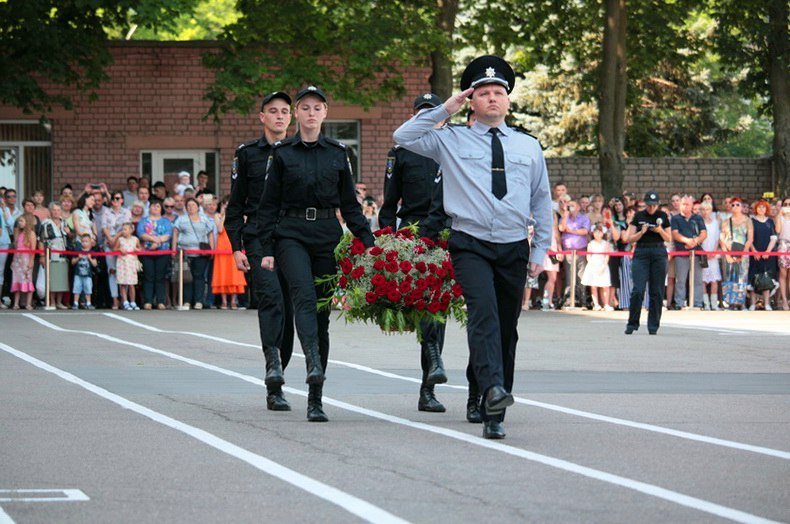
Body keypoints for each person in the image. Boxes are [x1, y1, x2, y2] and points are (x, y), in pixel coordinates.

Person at [393, 55, 553, 440]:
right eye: (483, 93)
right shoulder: (451, 139)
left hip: (514, 244)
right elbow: (404, 137)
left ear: (508, 100)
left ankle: (492, 394)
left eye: (499, 92)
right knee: (484, 317)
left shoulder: (528, 146)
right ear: (472, 101)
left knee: (507, 329)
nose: (493, 98)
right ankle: (493, 397)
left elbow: (541, 200)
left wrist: (540, 250)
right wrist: (446, 108)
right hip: (470, 243)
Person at [259, 85, 375, 422]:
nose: (311, 113)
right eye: (305, 108)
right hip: (290, 235)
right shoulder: (282, 153)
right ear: (297, 114)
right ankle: (311, 360)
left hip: (326, 235)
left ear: (325, 113)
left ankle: (315, 395)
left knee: (321, 316)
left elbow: (350, 206)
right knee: (304, 297)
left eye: (317, 108)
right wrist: (265, 248)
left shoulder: (338, 153)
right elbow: (268, 206)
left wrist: (369, 243)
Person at [226, 90, 297, 412]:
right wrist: (236, 246)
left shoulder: (300, 152)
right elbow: (235, 206)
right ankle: (272, 363)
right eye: (273, 111)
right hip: (258, 238)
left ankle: (277, 377)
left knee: (291, 310)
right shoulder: (247, 154)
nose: (280, 116)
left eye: (285, 111)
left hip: (293, 237)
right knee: (271, 300)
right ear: (262, 117)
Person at [380, 92, 449, 413]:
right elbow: (389, 203)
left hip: (450, 231)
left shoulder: (454, 148)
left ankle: (428, 386)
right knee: (427, 303)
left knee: (441, 307)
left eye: (432, 113)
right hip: (414, 232)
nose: (427, 118)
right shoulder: (402, 153)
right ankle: (432, 362)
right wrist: (385, 241)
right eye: (421, 114)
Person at [625, 191, 671, 335]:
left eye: (654, 205)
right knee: (638, 290)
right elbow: (629, 238)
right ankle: (632, 323)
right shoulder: (639, 216)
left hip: (658, 252)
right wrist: (641, 233)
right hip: (641, 252)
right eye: (649, 205)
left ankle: (653, 325)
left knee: (656, 291)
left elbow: (669, 238)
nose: (651, 208)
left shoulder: (662, 216)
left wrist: (659, 230)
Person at [172, 197, 215, 309]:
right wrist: (173, 248)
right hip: (184, 253)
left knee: (199, 276)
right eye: (188, 206)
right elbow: (175, 233)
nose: (191, 207)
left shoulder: (204, 219)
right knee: (187, 277)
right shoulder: (181, 219)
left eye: (193, 205)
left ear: (198, 207)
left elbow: (210, 233)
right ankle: (187, 301)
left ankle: (199, 301)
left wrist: (212, 249)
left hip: (201, 253)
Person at [671, 195, 707, 309]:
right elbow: (675, 234)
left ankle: (697, 303)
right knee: (680, 279)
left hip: (696, 253)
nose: (685, 206)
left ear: (692, 206)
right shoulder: (675, 219)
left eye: (688, 204)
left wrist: (695, 241)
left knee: (697, 280)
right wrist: (687, 241)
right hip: (681, 253)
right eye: (683, 204)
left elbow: (704, 233)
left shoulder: (698, 218)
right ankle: (679, 303)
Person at [136, 199, 173, 310]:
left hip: (163, 252)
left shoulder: (165, 221)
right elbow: (141, 233)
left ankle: (160, 301)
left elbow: (168, 234)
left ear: (161, 208)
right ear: (149, 208)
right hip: (147, 252)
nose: (155, 208)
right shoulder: (143, 220)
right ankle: (148, 301)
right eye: (153, 206)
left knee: (160, 277)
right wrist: (154, 240)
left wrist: (157, 242)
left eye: (157, 206)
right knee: (148, 276)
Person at [212, 196, 246, 309]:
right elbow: (220, 229)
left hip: (233, 247)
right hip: (222, 248)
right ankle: (224, 301)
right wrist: (225, 214)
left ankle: (233, 300)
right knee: (222, 273)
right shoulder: (217, 216)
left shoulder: (237, 216)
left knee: (235, 274)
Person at [720, 197, 753, 310]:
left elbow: (750, 238)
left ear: (742, 206)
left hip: (743, 253)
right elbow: (722, 239)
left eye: (737, 205)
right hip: (729, 253)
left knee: (742, 277)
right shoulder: (726, 221)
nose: (735, 207)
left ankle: (741, 303)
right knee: (729, 277)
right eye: (732, 205)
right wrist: (727, 254)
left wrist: (743, 253)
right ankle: (731, 303)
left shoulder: (747, 220)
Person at [102, 191, 131, 309]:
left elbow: (126, 228)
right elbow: (104, 227)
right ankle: (115, 299)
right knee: (112, 271)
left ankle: (125, 299)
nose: (115, 200)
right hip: (109, 243)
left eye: (118, 198)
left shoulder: (126, 212)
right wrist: (110, 239)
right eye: (113, 198)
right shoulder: (106, 211)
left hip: (122, 243)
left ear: (122, 200)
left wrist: (115, 239)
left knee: (124, 272)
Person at [559, 199, 590, 308]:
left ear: (577, 207)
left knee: (581, 275)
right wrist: (566, 215)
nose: (570, 208)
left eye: (572, 206)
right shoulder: (565, 217)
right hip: (568, 250)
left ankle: (582, 299)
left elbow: (585, 231)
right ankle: (569, 299)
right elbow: (562, 228)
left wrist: (571, 231)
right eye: (569, 206)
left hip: (581, 249)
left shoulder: (584, 218)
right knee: (569, 275)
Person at [39, 202, 70, 308]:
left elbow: (71, 237)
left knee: (61, 279)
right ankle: (51, 301)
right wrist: (42, 256)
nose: (56, 212)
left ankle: (59, 302)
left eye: (58, 210)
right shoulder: (46, 223)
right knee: (52, 278)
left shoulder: (64, 222)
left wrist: (69, 232)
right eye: (54, 210)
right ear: (50, 211)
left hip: (63, 254)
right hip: (51, 254)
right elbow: (41, 240)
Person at [748, 200, 777, 310]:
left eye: (763, 207)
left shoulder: (770, 222)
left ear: (766, 209)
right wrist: (754, 251)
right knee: (753, 278)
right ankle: (752, 303)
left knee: (766, 279)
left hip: (767, 255)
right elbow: (749, 238)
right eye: (759, 207)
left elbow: (773, 238)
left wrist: (768, 251)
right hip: (754, 254)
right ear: (756, 209)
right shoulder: (751, 221)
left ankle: (767, 303)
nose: (761, 209)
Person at [581, 224, 613, 311]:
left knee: (605, 285)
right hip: (593, 265)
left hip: (603, 264)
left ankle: (606, 304)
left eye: (599, 232)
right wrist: (592, 265)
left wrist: (603, 265)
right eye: (595, 232)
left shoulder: (606, 243)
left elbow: (607, 256)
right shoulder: (591, 244)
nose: (597, 234)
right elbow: (588, 256)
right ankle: (596, 304)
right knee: (593, 285)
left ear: (602, 233)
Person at [699, 201, 722, 310]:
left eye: (707, 209)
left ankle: (714, 304)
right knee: (703, 280)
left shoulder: (715, 223)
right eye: (703, 209)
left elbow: (717, 238)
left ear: (711, 210)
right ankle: (706, 304)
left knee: (714, 280)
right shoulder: (698, 222)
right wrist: (704, 252)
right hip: (702, 254)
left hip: (713, 254)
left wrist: (713, 250)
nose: (705, 212)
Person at [11, 215, 36, 310]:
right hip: (17, 259)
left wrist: (31, 261)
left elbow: (33, 249)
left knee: (27, 279)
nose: (19, 223)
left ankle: (28, 303)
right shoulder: (18, 233)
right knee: (16, 280)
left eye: (21, 221)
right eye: (19, 221)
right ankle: (16, 303)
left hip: (26, 259)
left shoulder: (31, 234)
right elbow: (15, 247)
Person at [116, 222, 141, 310]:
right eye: (122, 229)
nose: (124, 231)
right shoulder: (120, 240)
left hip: (131, 262)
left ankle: (133, 301)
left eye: (125, 229)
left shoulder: (135, 239)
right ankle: (125, 301)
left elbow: (140, 249)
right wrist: (120, 249)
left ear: (131, 230)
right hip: (122, 262)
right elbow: (114, 249)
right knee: (123, 283)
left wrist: (136, 249)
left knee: (131, 284)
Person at [71, 234, 98, 309]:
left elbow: (95, 264)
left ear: (90, 242)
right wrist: (78, 258)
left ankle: (88, 303)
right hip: (78, 274)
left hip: (88, 275)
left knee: (88, 289)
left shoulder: (92, 252)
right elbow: (72, 262)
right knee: (76, 288)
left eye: (86, 241)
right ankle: (75, 303)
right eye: (83, 241)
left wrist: (90, 258)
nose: (84, 243)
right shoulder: (77, 251)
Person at [776, 198, 790, 310]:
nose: (787, 206)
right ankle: (784, 300)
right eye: (785, 204)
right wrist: (780, 213)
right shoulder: (780, 217)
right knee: (783, 273)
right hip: (783, 244)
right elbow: (778, 230)